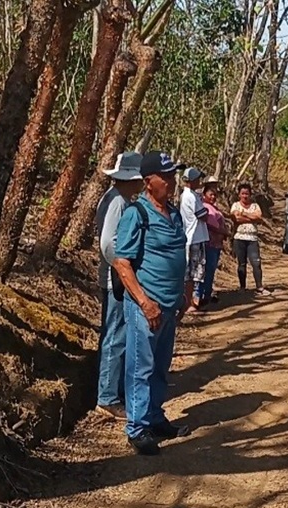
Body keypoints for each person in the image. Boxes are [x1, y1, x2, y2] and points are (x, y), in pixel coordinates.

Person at [112, 151, 193, 455]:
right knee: (140, 367)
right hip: (146, 307)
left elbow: (179, 254)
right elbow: (122, 264)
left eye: (174, 175)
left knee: (160, 365)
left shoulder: (172, 213)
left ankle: (155, 417)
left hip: (170, 306)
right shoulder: (137, 214)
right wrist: (145, 302)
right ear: (149, 182)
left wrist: (186, 290)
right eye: (167, 176)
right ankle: (137, 428)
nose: (172, 181)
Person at [94, 151, 143, 420]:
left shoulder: (114, 198)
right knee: (116, 336)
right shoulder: (118, 203)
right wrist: (123, 270)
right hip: (116, 279)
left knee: (113, 334)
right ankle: (108, 397)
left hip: (113, 276)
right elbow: (108, 243)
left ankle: (110, 390)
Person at [179, 167, 209, 313]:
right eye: (197, 179)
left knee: (195, 272)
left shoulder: (191, 195)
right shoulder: (189, 196)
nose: (199, 181)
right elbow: (203, 214)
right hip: (193, 238)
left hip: (196, 237)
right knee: (190, 273)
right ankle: (187, 302)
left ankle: (190, 301)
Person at [230, 183, 269, 295]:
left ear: (250, 194)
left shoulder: (255, 206)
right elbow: (236, 219)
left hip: (252, 238)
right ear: (239, 195)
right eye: (242, 193)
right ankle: (242, 287)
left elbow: (259, 217)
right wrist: (251, 218)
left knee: (256, 262)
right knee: (241, 264)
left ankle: (259, 287)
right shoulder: (235, 205)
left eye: (247, 193)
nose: (245, 196)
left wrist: (244, 214)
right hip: (239, 237)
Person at [199, 184, 228, 307]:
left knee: (211, 270)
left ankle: (207, 293)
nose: (213, 197)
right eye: (210, 194)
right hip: (209, 243)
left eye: (215, 195)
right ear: (204, 195)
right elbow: (211, 225)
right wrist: (223, 232)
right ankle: (203, 295)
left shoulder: (214, 208)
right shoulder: (205, 207)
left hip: (216, 244)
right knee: (208, 269)